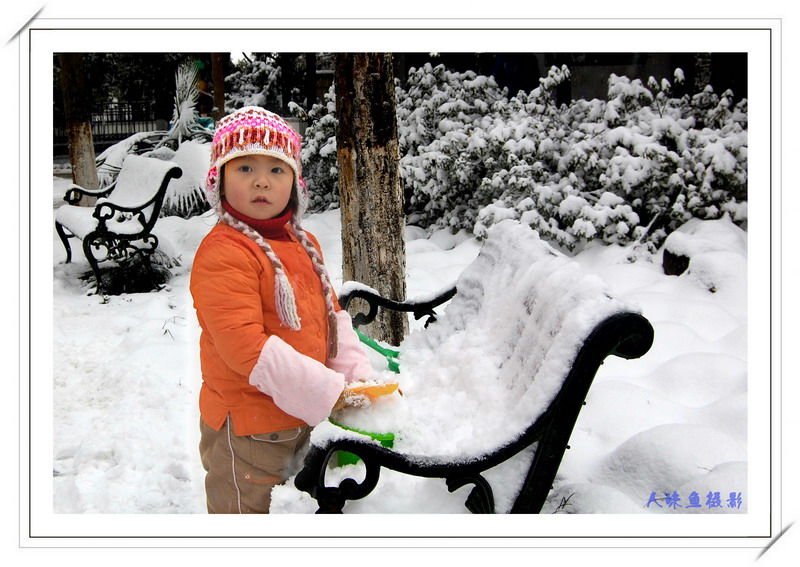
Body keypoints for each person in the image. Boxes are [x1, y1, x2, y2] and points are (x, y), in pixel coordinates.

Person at [190, 106, 375, 514]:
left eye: (277, 169)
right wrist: (329, 392)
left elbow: (331, 315)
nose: (261, 180)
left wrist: (353, 372)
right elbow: (245, 347)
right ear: (219, 180)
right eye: (244, 168)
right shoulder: (225, 252)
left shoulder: (301, 241)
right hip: (249, 430)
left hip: (297, 416)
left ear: (294, 182)